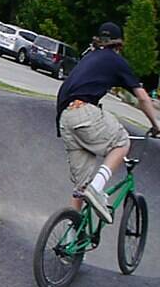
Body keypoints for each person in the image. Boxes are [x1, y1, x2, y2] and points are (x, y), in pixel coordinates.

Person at [54, 21, 160, 223]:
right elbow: (144, 98)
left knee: (80, 190)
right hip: (84, 111)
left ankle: (70, 246)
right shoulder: (116, 61)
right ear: (118, 46)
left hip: (64, 117)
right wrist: (156, 125)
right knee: (121, 142)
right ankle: (97, 188)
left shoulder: (89, 57)